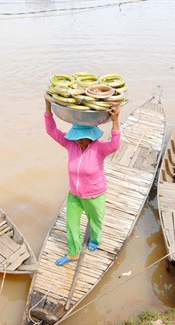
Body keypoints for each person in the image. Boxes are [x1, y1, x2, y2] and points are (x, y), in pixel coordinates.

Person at [44, 96, 120, 266]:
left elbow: (115, 145)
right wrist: (48, 107)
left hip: (95, 194)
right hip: (75, 195)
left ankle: (95, 239)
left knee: (96, 221)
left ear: (91, 136)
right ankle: (73, 253)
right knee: (71, 224)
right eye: (76, 136)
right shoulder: (71, 144)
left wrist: (115, 120)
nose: (78, 140)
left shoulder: (99, 148)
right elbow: (52, 131)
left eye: (82, 137)